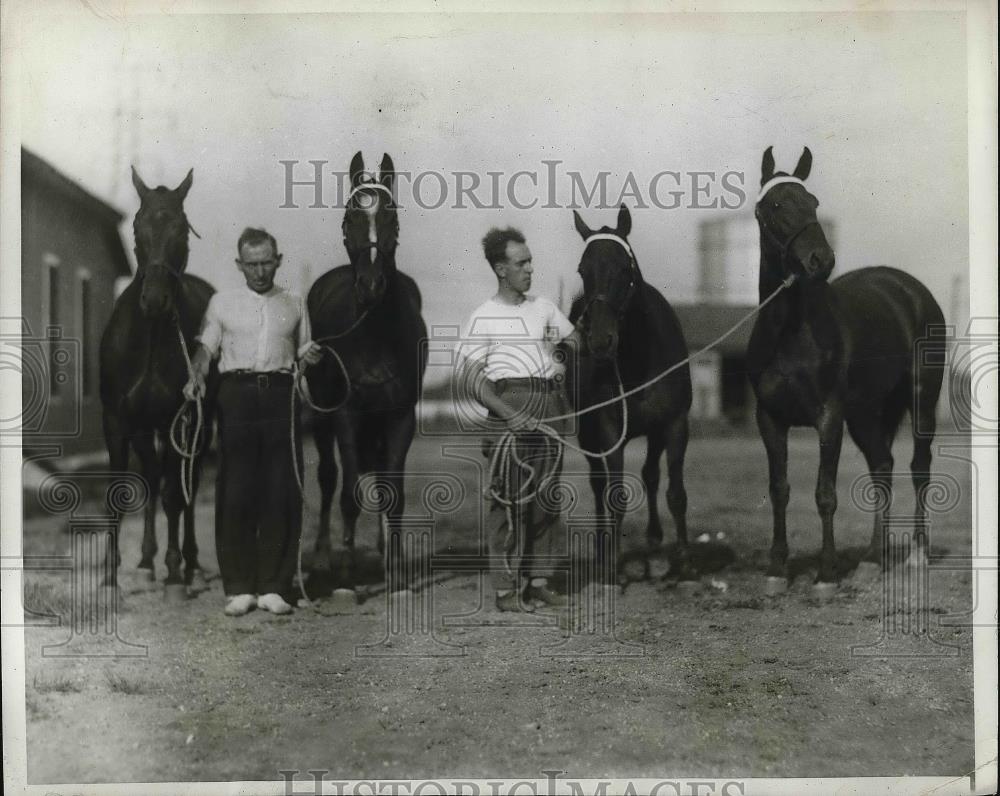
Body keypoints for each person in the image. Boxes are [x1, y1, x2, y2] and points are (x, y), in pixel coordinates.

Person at [184, 228, 322, 616]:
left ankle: (275, 586)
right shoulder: (221, 303)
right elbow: (205, 347)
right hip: (236, 396)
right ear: (239, 264)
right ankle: (239, 586)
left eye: (266, 262)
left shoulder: (295, 303)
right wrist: (196, 374)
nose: (260, 271)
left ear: (278, 260)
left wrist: (313, 359)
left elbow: (305, 350)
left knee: (281, 487)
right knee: (237, 489)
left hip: (282, 395)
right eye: (252, 264)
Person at [455, 227, 581, 613]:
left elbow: (576, 342)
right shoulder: (483, 317)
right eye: (520, 263)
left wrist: (556, 354)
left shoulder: (543, 307)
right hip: (509, 404)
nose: (529, 270)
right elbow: (471, 379)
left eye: (530, 262)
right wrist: (509, 414)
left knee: (546, 497)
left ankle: (539, 580)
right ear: (500, 269)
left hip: (550, 404)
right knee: (508, 501)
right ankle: (507, 590)